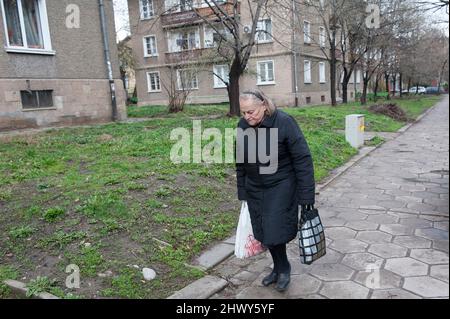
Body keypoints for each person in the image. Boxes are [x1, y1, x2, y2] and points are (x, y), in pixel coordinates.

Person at [236, 89, 316, 292]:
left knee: (275, 231)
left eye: (251, 111)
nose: (247, 117)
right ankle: (278, 267)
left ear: (263, 105)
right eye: (244, 112)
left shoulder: (284, 122)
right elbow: (240, 162)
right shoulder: (243, 125)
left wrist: (306, 196)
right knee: (264, 232)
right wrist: (243, 190)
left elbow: (303, 159)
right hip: (255, 188)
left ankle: (284, 268)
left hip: (281, 186)